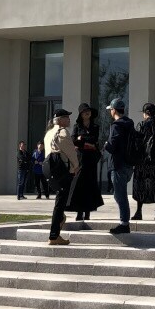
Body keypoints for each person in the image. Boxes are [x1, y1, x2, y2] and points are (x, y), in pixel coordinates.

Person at [43, 109, 76, 245]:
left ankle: (59, 221)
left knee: (59, 199)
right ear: (60, 120)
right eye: (66, 117)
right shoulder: (62, 132)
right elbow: (71, 153)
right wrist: (76, 167)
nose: (69, 119)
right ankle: (54, 235)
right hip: (61, 170)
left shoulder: (49, 133)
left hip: (49, 170)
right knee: (60, 202)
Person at [104, 99, 136, 235]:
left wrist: (105, 144)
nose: (110, 112)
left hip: (118, 165)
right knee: (120, 194)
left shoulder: (116, 126)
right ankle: (124, 222)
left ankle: (124, 223)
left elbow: (112, 146)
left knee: (120, 195)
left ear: (114, 110)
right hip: (129, 164)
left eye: (111, 109)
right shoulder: (130, 124)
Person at [69, 105, 104, 228]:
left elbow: (94, 140)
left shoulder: (95, 127)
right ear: (80, 114)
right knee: (79, 184)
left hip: (91, 160)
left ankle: (88, 211)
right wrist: (84, 142)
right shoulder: (76, 126)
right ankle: (79, 212)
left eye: (88, 111)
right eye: (84, 112)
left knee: (90, 184)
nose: (87, 113)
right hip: (81, 159)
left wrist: (82, 140)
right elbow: (74, 140)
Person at [133, 102, 155, 222]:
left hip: (143, 162)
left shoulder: (141, 125)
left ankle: (139, 211)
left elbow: (136, 143)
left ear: (145, 113)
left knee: (141, 185)